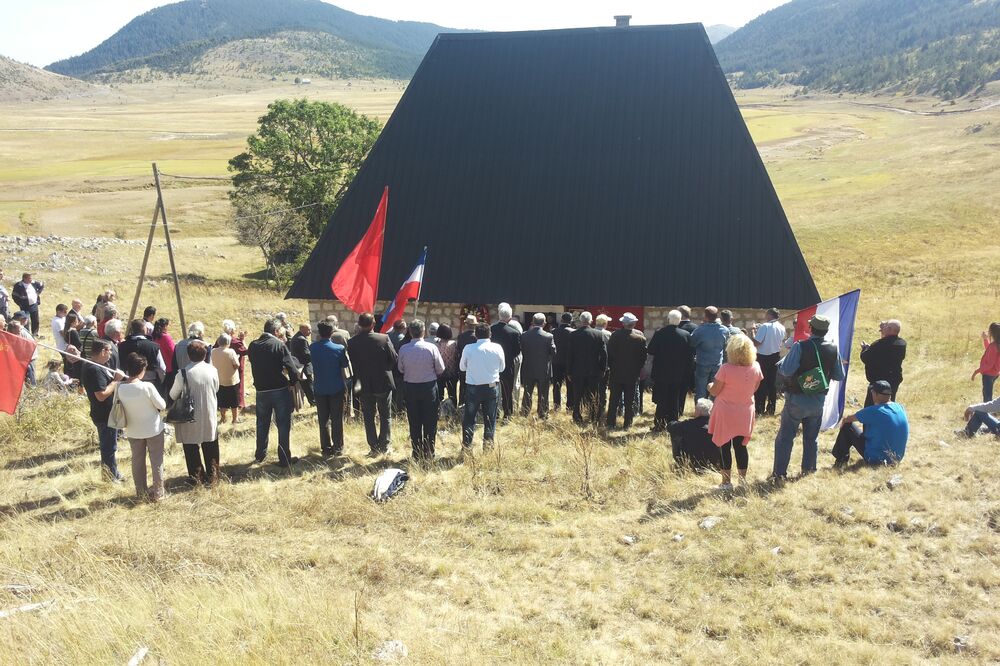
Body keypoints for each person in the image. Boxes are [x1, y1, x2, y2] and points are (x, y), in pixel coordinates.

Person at [771, 314, 845, 479]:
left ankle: (779, 474)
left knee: (785, 438)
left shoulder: (800, 346)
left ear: (811, 328)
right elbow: (839, 375)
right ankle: (809, 470)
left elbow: (786, 370)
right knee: (811, 438)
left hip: (796, 399)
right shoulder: (833, 348)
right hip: (818, 400)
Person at [708, 334, 763, 489]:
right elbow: (754, 388)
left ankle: (726, 482)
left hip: (726, 411)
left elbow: (715, 391)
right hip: (745, 411)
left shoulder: (725, 368)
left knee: (724, 446)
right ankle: (743, 481)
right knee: (741, 446)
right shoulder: (756, 367)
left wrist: (709, 386)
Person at [248, 318, 300, 467]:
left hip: (261, 390)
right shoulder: (279, 345)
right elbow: (291, 368)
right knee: (283, 424)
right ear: (276, 331)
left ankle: (260, 455)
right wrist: (292, 382)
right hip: (279, 389)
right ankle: (284, 458)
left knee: (262, 424)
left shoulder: (253, 345)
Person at [117, 353, 167, 501]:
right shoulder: (147, 386)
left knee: (137, 461)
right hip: (153, 429)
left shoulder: (120, 388)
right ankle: (158, 492)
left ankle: (141, 493)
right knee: (156, 460)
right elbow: (162, 405)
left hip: (133, 430)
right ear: (142, 370)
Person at [170, 341, 221, 485]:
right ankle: (214, 475)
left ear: (189, 355)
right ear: (205, 355)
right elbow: (216, 388)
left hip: (189, 413)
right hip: (208, 410)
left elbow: (173, 394)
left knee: (190, 445)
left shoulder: (183, 373)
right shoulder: (212, 370)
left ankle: (197, 476)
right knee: (210, 443)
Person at [347, 312, 397, 456]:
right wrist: (385, 368)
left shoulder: (352, 342)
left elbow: (353, 362)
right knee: (385, 415)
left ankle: (373, 447)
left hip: (363, 383)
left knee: (368, 416)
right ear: (373, 324)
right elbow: (394, 358)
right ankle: (384, 446)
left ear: (359, 324)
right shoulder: (383, 338)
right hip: (382, 381)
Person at [397, 319, 445, 461]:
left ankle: (416, 453)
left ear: (410, 332)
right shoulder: (431, 348)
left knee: (414, 421)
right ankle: (429, 452)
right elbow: (440, 369)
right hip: (429, 388)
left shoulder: (404, 349)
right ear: (423, 331)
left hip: (411, 388)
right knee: (430, 421)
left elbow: (400, 369)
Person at [81, 340, 127, 482]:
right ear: (102, 351)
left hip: (107, 413)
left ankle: (114, 472)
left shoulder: (99, 366)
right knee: (108, 447)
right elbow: (101, 395)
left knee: (111, 446)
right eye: (109, 350)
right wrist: (116, 381)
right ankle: (109, 477)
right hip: (104, 415)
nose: (111, 353)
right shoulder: (94, 369)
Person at [834, 380, 909, 465]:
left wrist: (842, 425)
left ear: (876, 394)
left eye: (872, 392)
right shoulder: (900, 407)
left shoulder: (874, 411)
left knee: (847, 426)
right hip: (896, 459)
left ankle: (840, 462)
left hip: (876, 459)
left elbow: (846, 419)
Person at [460, 323, 505, 451]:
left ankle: (467, 446)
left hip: (473, 387)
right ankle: (488, 447)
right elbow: (502, 368)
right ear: (490, 334)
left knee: (469, 418)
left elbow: (462, 367)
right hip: (491, 386)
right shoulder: (497, 348)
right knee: (490, 419)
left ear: (475, 335)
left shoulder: (468, 348)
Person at [647, 310, 694, 430]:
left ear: (668, 319)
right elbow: (690, 355)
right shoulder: (685, 335)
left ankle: (659, 424)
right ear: (679, 321)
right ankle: (673, 425)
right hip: (678, 373)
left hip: (661, 372)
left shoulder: (660, 333)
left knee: (662, 399)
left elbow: (651, 350)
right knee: (674, 399)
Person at [310, 321, 351, 456]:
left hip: (320, 388)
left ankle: (325, 447)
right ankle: (338, 446)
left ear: (319, 333)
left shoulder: (312, 347)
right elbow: (345, 364)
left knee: (323, 419)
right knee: (337, 419)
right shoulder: (339, 348)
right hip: (336, 387)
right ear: (332, 333)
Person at [565, 311, 608, 425]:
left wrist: (568, 371)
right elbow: (604, 354)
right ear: (591, 321)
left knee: (577, 395)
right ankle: (593, 416)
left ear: (580, 321)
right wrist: (603, 369)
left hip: (577, 370)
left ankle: (577, 416)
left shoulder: (573, 335)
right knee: (593, 395)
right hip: (593, 370)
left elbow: (569, 355)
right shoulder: (598, 334)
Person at [606, 312, 647, 431]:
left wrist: (612, 367)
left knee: (614, 400)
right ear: (634, 324)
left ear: (623, 323)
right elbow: (643, 358)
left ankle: (610, 423)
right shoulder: (640, 339)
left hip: (616, 373)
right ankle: (627, 424)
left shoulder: (615, 335)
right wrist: (637, 369)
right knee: (630, 401)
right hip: (632, 374)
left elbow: (609, 354)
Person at [859, 319, 906, 406]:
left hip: (879, 383)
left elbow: (865, 357)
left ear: (889, 329)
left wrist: (865, 348)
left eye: (885, 326)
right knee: (889, 405)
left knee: (872, 407)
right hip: (893, 380)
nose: (883, 328)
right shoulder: (902, 343)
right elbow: (885, 347)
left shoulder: (879, 344)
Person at [689, 306, 731, 400]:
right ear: (717, 316)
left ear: (705, 316)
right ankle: (714, 408)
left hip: (702, 363)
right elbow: (726, 346)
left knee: (700, 389)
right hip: (717, 363)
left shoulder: (700, 330)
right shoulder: (725, 330)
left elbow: (692, 343)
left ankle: (700, 408)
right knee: (715, 390)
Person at [520, 313, 556, 419]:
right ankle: (543, 414)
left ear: (532, 322)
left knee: (527, 392)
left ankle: (525, 412)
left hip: (528, 368)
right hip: (543, 369)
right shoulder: (548, 336)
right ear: (544, 323)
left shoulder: (524, 335)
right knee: (543, 393)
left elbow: (521, 349)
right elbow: (553, 352)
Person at [490, 303, 522, 422]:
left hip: (493, 366)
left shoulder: (491, 330)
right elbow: (517, 351)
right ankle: (507, 414)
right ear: (510, 317)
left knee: (493, 389)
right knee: (507, 391)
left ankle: (494, 412)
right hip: (508, 366)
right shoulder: (514, 333)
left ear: (499, 316)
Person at [668, 399, 719, 469]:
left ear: (698, 412)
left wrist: (680, 423)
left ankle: (680, 462)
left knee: (676, 433)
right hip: (712, 464)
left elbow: (670, 426)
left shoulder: (688, 424)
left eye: (695, 410)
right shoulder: (717, 426)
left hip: (690, 462)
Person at [752, 308, 785, 416]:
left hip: (763, 357)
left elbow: (757, 343)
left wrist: (753, 332)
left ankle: (759, 409)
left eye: (766, 314)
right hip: (775, 356)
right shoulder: (782, 327)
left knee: (761, 382)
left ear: (770, 315)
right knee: (772, 383)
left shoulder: (765, 326)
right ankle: (771, 409)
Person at [118, 318, 166, 388]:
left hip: (128, 382)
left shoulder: (122, 346)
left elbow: (119, 366)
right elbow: (162, 369)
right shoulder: (153, 346)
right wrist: (160, 383)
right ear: (144, 329)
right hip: (150, 383)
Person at [211, 334, 241, 424]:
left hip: (219, 379)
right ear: (228, 342)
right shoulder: (230, 352)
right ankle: (235, 419)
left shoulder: (213, 351)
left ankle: (223, 418)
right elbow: (236, 365)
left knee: (222, 401)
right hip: (231, 380)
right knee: (234, 401)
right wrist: (237, 358)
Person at [222, 319, 248, 411]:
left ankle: (225, 404)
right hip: (236, 367)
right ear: (232, 330)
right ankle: (240, 402)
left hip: (223, 366)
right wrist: (242, 340)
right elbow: (245, 351)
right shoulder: (235, 342)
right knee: (239, 384)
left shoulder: (220, 340)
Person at [551, 313, 576, 411]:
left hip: (556, 361)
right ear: (571, 320)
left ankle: (556, 405)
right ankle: (570, 406)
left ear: (561, 320)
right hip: (569, 362)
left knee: (556, 385)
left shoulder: (553, 331)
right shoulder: (573, 332)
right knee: (570, 385)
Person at [971, 323, 1000, 402]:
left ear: (993, 333)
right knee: (988, 393)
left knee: (987, 396)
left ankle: (988, 409)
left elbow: (989, 364)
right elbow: (990, 352)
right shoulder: (997, 345)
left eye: (989, 331)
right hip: (995, 373)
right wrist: (985, 339)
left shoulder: (993, 346)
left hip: (988, 374)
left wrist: (976, 371)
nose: (988, 332)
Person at [288, 323, 315, 407]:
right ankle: (313, 402)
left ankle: (312, 401)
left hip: (299, 366)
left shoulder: (295, 337)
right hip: (304, 367)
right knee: (309, 386)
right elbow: (306, 355)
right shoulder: (301, 339)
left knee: (306, 386)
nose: (310, 331)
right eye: (308, 330)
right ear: (302, 329)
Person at [11, 272, 43, 337]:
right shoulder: (18, 285)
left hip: (34, 304)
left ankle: (35, 333)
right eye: (29, 278)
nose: (31, 280)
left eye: (31, 278)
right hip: (24, 306)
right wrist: (20, 303)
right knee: (25, 320)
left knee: (35, 319)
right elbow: (14, 295)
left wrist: (37, 293)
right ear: (24, 278)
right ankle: (27, 334)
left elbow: (41, 285)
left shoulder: (33, 283)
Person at [594, 314, 613, 419]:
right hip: (605, 366)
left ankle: (592, 409)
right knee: (603, 389)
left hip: (592, 366)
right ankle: (601, 410)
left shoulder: (592, 332)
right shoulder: (608, 334)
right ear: (605, 323)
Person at [435, 324, 459, 406]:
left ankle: (439, 410)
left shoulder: (436, 345)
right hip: (452, 372)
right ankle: (453, 409)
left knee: (439, 395)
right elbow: (457, 356)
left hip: (440, 373)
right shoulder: (453, 344)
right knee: (453, 394)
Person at [456, 314, 478, 405]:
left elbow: (458, 351)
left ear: (466, 325)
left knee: (463, 387)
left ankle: (461, 405)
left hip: (464, 365)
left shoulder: (461, 337)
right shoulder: (477, 338)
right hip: (475, 366)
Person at [11, 312, 37, 386]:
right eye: (26, 318)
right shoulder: (19, 331)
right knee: (31, 377)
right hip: (29, 358)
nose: (27, 319)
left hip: (31, 356)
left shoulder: (22, 328)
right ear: (22, 319)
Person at [388, 319, 408, 413]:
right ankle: (398, 410)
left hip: (389, 367)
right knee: (399, 391)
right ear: (403, 328)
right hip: (399, 368)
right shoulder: (403, 339)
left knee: (391, 389)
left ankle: (391, 407)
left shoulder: (388, 337)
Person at [152, 318, 175, 395]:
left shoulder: (154, 336)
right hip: (169, 367)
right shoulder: (166, 337)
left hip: (158, 367)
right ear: (165, 326)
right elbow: (173, 351)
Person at [61, 310, 83, 383]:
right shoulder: (73, 331)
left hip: (70, 352)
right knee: (77, 371)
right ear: (73, 322)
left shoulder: (67, 330)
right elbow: (79, 343)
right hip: (76, 353)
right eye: (76, 320)